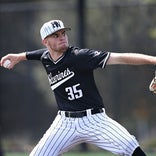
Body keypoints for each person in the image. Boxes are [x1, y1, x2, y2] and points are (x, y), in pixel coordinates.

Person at [1, 20, 156, 156]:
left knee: (130, 146)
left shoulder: (80, 56)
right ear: (45, 42)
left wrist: (153, 60)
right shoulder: (46, 57)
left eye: (63, 33)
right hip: (64, 123)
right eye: (56, 35)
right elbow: (36, 54)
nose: (62, 37)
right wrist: (19, 56)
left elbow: (121, 57)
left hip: (94, 120)